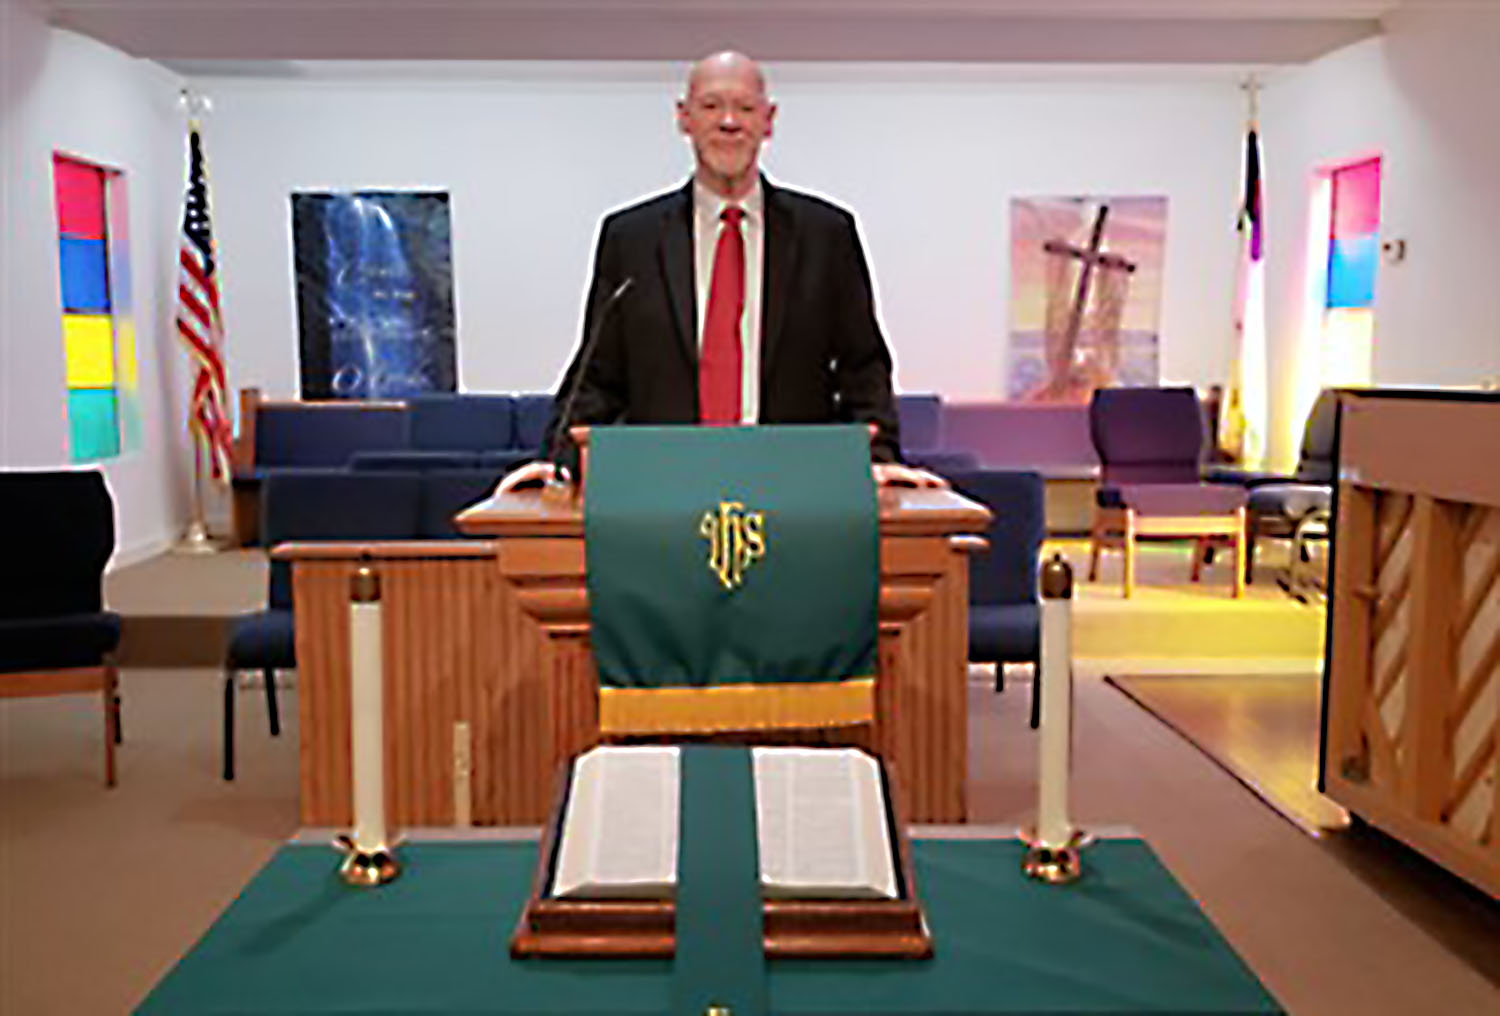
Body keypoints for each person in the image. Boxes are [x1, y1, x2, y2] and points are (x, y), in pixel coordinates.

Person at [499, 51, 942, 492]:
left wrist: (879, 458)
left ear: (768, 122)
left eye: (745, 108)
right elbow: (597, 375)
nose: (729, 122)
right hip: (664, 491)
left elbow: (863, 366)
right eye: (711, 106)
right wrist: (557, 463)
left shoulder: (826, 234)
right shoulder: (629, 238)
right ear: (683, 118)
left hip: (794, 491)